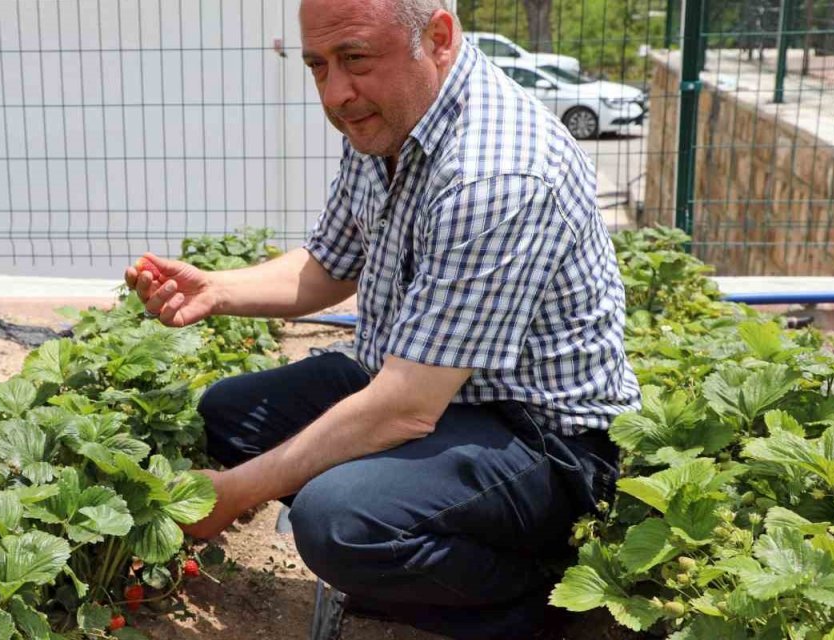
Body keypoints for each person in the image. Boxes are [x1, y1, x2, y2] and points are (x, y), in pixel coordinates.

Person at [124, 0, 639, 637]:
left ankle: (541, 601)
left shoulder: (496, 172)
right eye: (318, 66)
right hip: (430, 393)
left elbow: (405, 407)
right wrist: (217, 289)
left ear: (438, 37)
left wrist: (233, 494)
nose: (335, 93)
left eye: (356, 58)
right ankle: (411, 542)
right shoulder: (386, 121)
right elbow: (331, 263)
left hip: (540, 443)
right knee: (230, 414)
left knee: (337, 522)